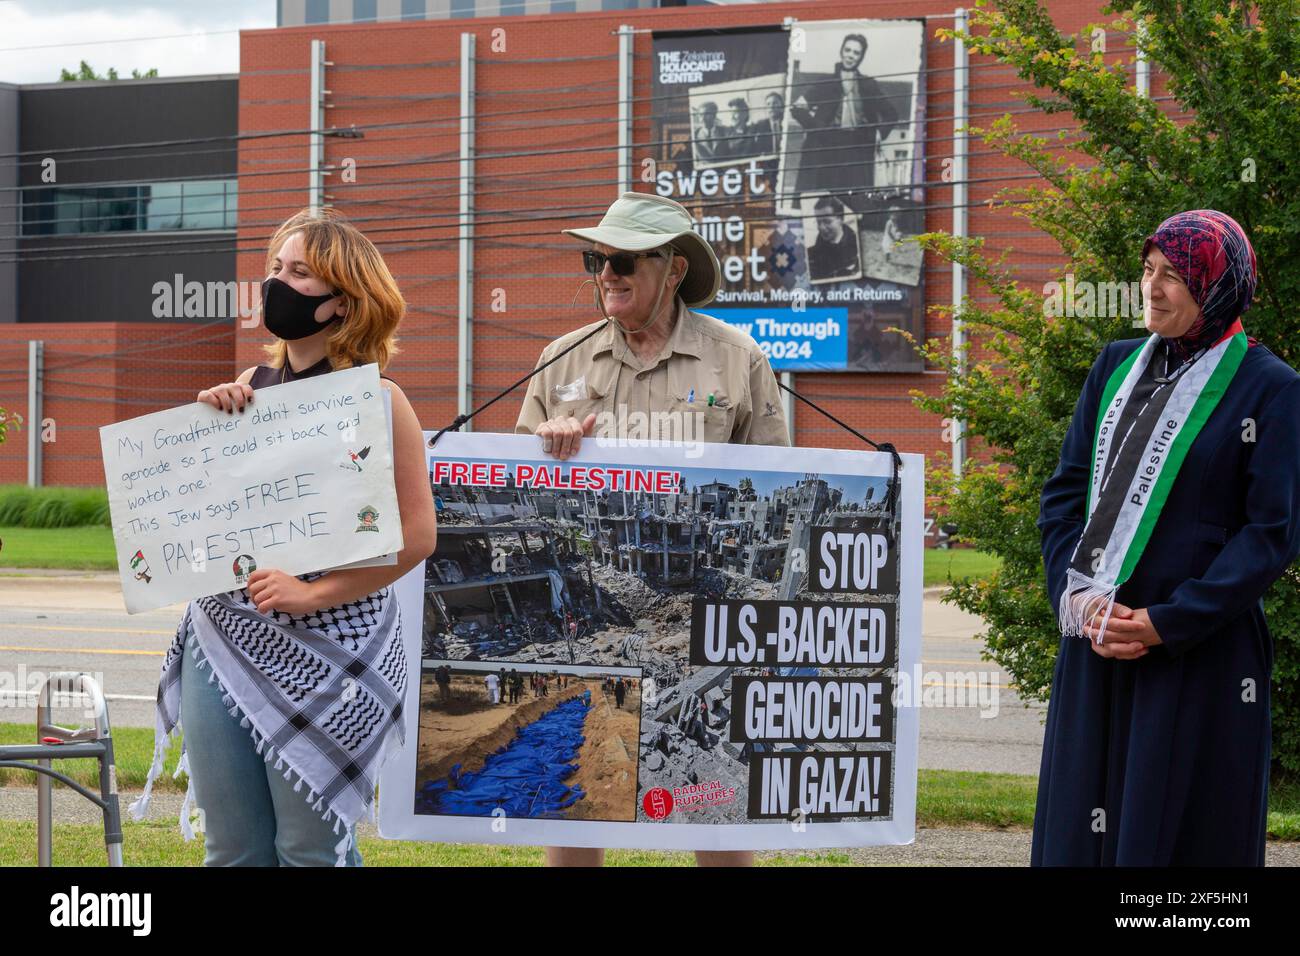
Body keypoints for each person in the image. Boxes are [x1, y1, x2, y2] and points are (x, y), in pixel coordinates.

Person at [129, 208, 438, 867]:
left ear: (342, 303)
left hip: (338, 648)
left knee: (309, 850)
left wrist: (313, 593)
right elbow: (211, 519)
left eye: (299, 273)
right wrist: (207, 434)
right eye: (275, 268)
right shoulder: (247, 387)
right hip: (225, 638)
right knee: (232, 849)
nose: (277, 282)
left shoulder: (381, 402)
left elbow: (416, 537)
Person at [517, 191, 790, 868]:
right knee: (581, 800)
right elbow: (517, 484)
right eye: (596, 258)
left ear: (672, 269)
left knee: (715, 805)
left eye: (624, 260)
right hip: (613, 601)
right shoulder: (561, 358)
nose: (606, 272)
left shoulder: (738, 359)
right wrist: (543, 447)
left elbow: (779, 474)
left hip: (702, 614)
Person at [1034, 209, 1300, 866]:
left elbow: (1270, 535)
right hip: (1096, 642)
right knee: (1080, 832)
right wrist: (1079, 602)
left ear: (1218, 286)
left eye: (1176, 276)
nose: (1153, 288)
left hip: (1196, 656)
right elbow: (1066, 496)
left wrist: (1165, 622)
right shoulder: (1116, 366)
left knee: (1174, 842)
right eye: (1149, 270)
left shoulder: (1272, 390)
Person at [789, 33, 898, 196]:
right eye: (847, 50)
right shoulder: (825, 82)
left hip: (857, 149)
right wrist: (818, 129)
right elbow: (797, 108)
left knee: (853, 203)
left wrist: (877, 134)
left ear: (861, 57)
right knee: (822, 201)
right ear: (841, 51)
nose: (850, 56)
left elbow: (892, 114)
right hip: (826, 147)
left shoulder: (869, 85)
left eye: (856, 52)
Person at [807, 196, 860, 281]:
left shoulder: (858, 249)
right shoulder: (811, 256)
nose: (822, 227)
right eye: (818, 222)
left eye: (827, 221)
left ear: (841, 219)